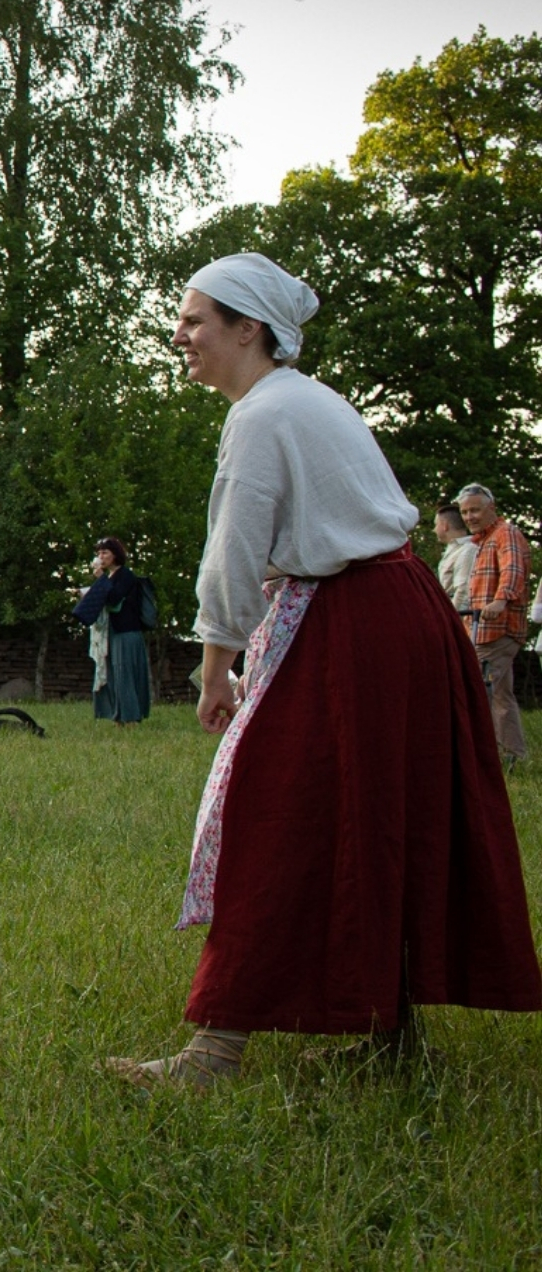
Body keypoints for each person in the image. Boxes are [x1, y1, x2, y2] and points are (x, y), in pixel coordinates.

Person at [108, 251, 540, 1088]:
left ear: (250, 329)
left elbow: (232, 554)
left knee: (281, 813)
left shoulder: (266, 413)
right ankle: (389, 1035)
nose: (179, 334)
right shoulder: (304, 401)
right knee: (380, 812)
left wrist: (214, 674)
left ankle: (215, 1052)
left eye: (196, 320)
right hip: (393, 615)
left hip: (357, 628)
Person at [456, 484, 531, 767]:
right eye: (465, 512)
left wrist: (501, 601)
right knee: (501, 695)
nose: (470, 516)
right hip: (483, 630)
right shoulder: (482, 542)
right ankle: (514, 756)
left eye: (475, 509)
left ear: (492, 507)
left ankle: (477, 761)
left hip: (497, 629)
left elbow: (513, 569)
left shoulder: (505, 534)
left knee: (476, 692)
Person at [72, 536, 151, 725]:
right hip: (113, 631)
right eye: (99, 553)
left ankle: (131, 717)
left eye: (105, 552)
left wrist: (100, 579)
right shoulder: (111, 576)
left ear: (115, 555)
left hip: (127, 632)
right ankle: (118, 716)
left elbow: (115, 598)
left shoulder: (126, 575)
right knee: (113, 674)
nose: (101, 556)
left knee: (125, 674)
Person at [432, 503, 477, 614]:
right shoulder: (453, 551)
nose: (434, 530)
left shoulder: (467, 550)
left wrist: (452, 622)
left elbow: (463, 591)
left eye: (436, 525)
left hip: (456, 616)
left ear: (444, 525)